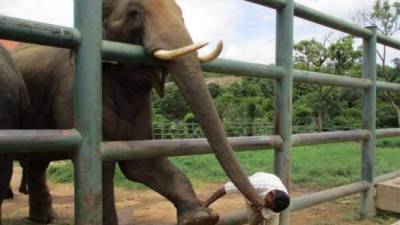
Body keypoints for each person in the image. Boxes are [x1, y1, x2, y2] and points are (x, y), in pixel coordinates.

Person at [202, 172, 290, 225]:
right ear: (271, 194)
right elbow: (225, 188)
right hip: (252, 196)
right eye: (267, 204)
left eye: (269, 207)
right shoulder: (253, 185)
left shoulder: (280, 202)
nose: (265, 207)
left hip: (272, 201)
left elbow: (264, 214)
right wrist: (207, 203)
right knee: (254, 218)